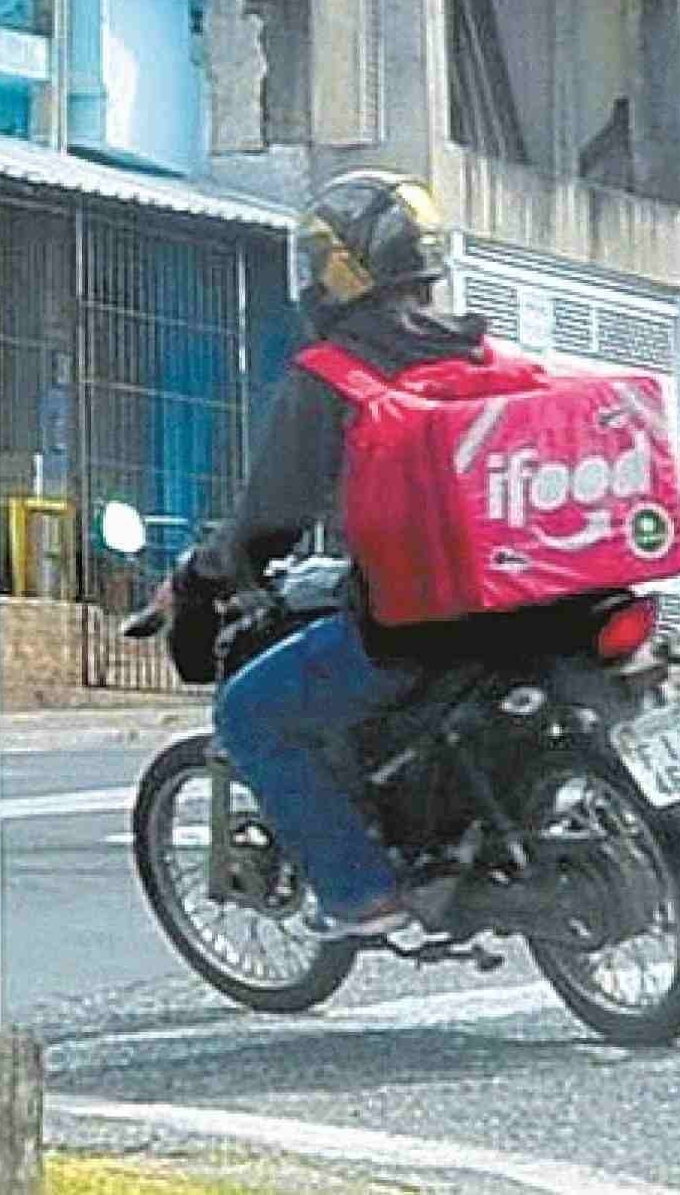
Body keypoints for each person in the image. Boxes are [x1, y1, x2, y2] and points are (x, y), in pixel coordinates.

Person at [173, 170, 488, 938]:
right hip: (533, 607)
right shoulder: (479, 356)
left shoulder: (331, 379)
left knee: (250, 712)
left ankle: (359, 890)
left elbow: (270, 520)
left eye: (320, 259)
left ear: (342, 270)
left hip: (417, 627)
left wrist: (204, 573)